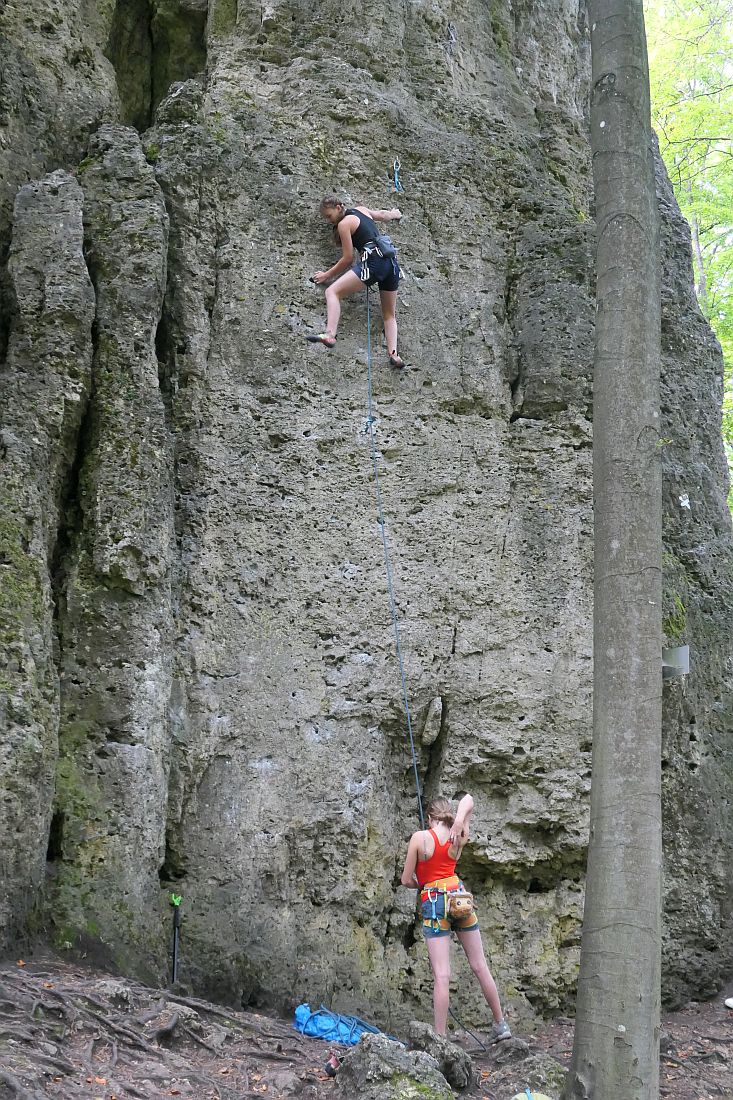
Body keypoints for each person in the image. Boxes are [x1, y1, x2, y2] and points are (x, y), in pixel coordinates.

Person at [400, 794, 512, 1041]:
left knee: (441, 974)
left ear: (429, 817)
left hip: (434, 902)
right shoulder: (459, 834)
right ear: (448, 814)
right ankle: (500, 1024)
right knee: (480, 965)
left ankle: (440, 1039)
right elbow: (470, 798)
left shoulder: (420, 838)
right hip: (460, 898)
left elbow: (406, 879)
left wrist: (423, 883)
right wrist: (460, 820)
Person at [307, 196, 405, 368]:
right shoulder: (361, 210)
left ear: (339, 207)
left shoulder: (345, 224)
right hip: (391, 264)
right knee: (389, 314)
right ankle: (394, 354)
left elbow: (347, 259)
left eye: (329, 216)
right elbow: (382, 215)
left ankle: (330, 334)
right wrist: (395, 214)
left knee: (332, 292)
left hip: (374, 263)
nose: (330, 221)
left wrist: (326, 275)